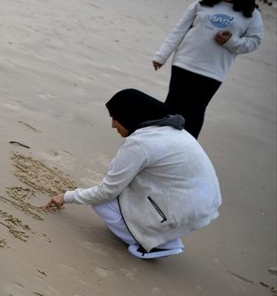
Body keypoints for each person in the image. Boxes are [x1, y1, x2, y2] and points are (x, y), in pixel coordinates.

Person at [45, 89, 221, 260]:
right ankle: (165, 235)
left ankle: (151, 243)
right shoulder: (172, 129)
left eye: (115, 118)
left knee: (103, 203)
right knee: (125, 179)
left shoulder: (139, 143)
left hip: (183, 211)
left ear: (129, 116)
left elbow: (106, 192)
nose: (113, 124)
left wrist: (67, 196)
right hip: (202, 207)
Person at [152, 0, 264, 139]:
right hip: (184, 63)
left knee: (195, 112)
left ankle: (186, 148)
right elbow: (179, 30)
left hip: (213, 72)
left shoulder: (251, 14)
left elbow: (254, 42)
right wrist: (161, 56)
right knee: (172, 106)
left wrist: (231, 42)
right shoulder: (202, 3)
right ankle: (159, 141)